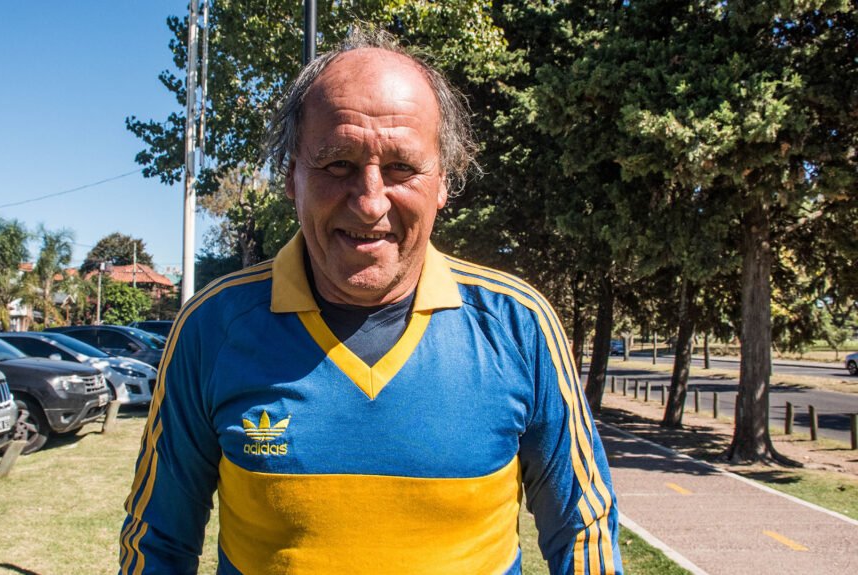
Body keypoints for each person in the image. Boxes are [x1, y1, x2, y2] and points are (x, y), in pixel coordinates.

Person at [119, 27, 622, 575]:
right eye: (338, 164)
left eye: (402, 167)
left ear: (443, 182)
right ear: (291, 176)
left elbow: (584, 532)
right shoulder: (213, 328)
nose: (369, 202)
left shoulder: (519, 326)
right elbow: (157, 543)